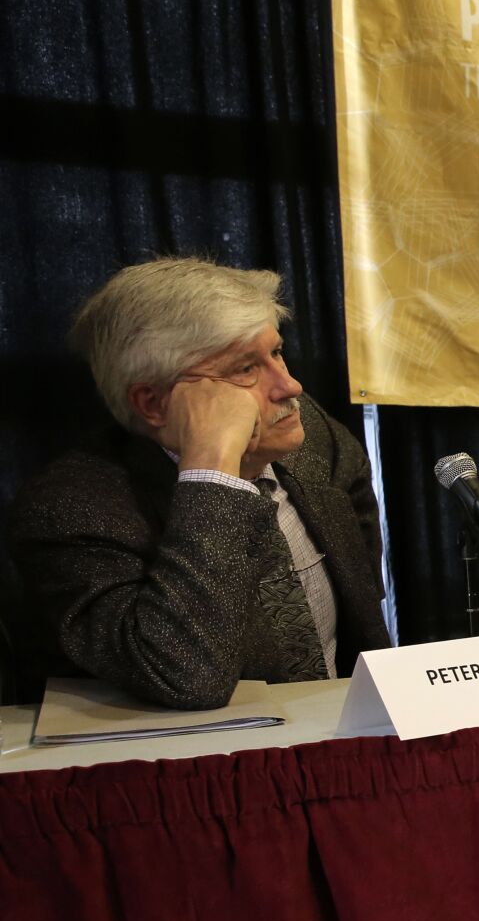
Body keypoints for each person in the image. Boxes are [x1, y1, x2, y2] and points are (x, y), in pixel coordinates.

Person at [8, 257, 388, 710]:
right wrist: (211, 470)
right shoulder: (69, 509)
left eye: (277, 352)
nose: (290, 386)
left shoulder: (315, 438)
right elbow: (187, 677)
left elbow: (362, 582)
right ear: (153, 404)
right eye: (245, 369)